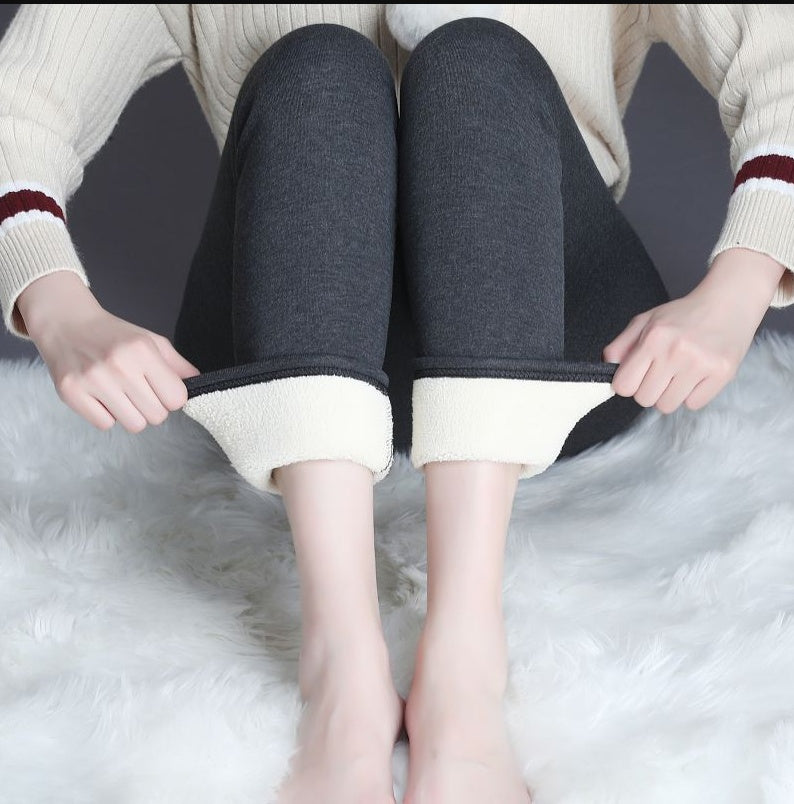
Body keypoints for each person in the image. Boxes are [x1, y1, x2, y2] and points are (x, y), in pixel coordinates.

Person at [0, 4, 792, 803]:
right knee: (317, 66)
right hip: (288, 353)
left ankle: (465, 664)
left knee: (476, 60)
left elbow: (780, 62)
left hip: (546, 343)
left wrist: (741, 283)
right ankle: (340, 665)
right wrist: (57, 305)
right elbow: (20, 103)